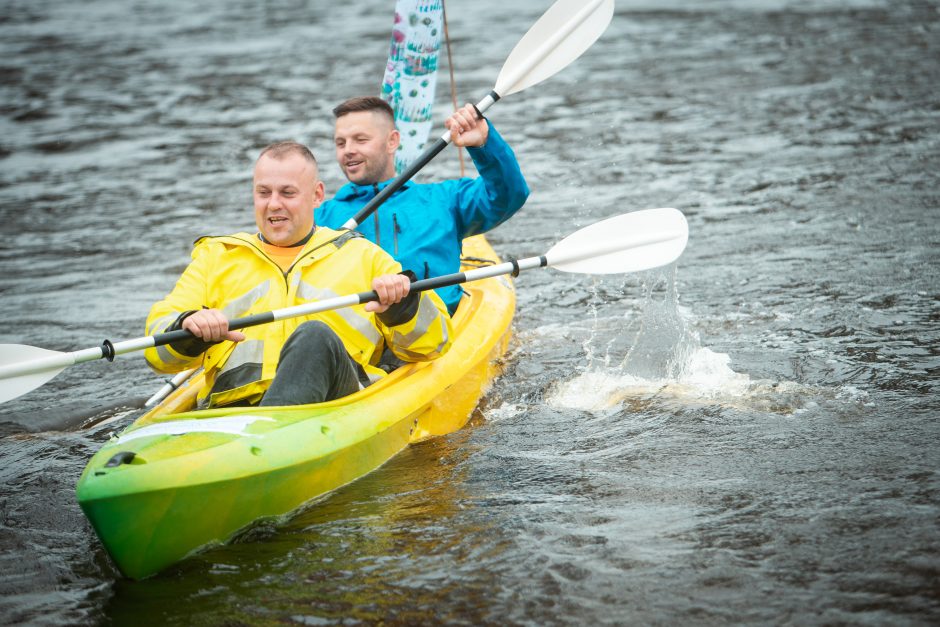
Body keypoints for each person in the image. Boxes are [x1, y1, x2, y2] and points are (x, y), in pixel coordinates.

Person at [144, 141, 453, 409]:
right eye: (263, 192)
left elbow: (434, 344)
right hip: (231, 411)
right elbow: (156, 354)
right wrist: (187, 327)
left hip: (336, 403)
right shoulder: (217, 256)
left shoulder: (361, 255)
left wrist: (401, 306)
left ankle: (266, 441)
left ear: (317, 195)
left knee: (314, 335)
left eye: (287, 193)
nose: (273, 204)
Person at [315, 96, 529, 315]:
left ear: (392, 141)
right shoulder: (319, 219)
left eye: (360, 140)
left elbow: (509, 195)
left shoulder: (444, 200)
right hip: (356, 335)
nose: (348, 150)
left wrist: (484, 144)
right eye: (340, 143)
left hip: (434, 328)